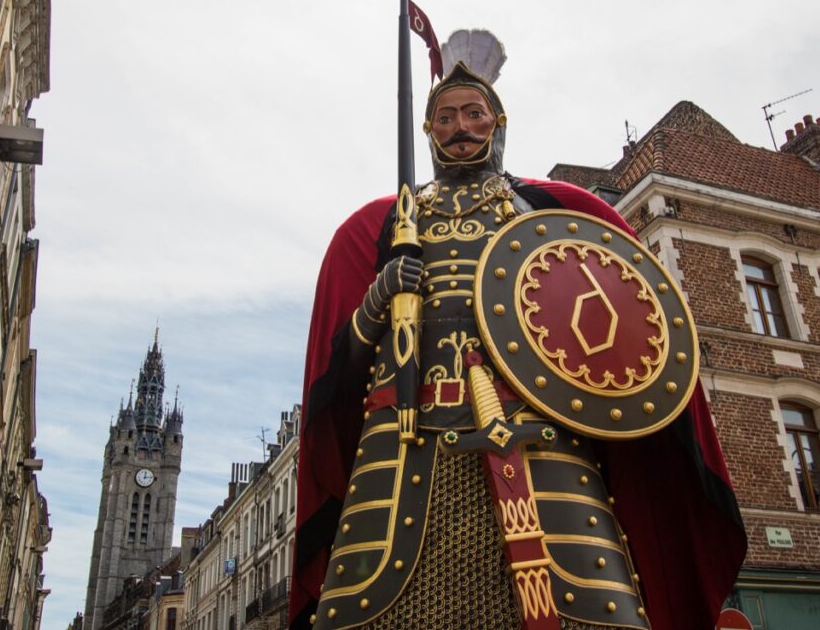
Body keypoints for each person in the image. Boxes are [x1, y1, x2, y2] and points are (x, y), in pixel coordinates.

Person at [290, 35, 747, 630]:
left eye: (473, 114)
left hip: (539, 445)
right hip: (402, 451)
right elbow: (337, 374)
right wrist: (377, 302)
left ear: (498, 124)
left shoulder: (553, 213)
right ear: (427, 132)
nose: (460, 128)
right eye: (445, 116)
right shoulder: (381, 228)